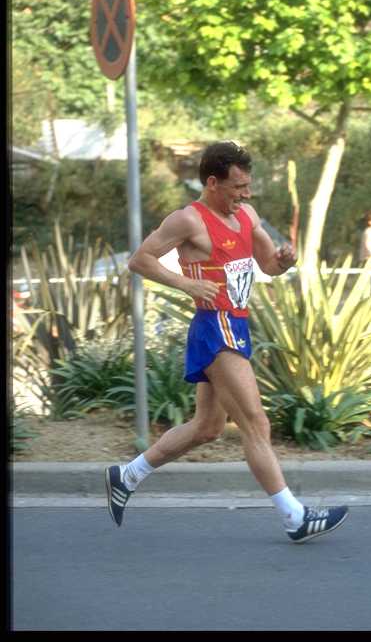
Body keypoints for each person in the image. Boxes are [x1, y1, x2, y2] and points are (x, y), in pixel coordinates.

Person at [105, 141, 348, 543]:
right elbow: (140, 259)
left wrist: (282, 263)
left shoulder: (247, 215)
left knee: (208, 427)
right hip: (214, 328)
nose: (246, 194)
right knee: (256, 423)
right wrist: (185, 282)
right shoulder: (188, 220)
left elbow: (268, 266)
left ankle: (127, 475)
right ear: (213, 182)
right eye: (238, 187)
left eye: (248, 186)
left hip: (237, 323)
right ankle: (295, 517)